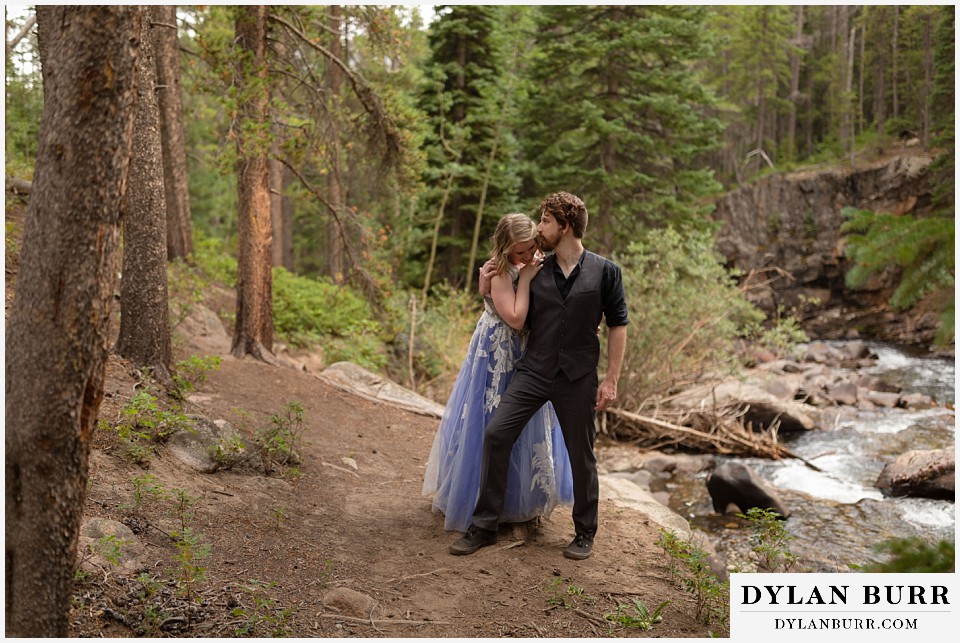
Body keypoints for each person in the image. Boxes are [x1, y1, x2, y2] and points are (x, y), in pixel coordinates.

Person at [450, 191, 628, 560]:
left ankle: (584, 533)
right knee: (496, 434)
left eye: (546, 221)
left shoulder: (606, 271)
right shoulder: (534, 269)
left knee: (582, 455)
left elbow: (618, 325)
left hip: (577, 377)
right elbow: (512, 318)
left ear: (564, 227)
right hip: (533, 370)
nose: (540, 227)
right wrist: (485, 293)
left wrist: (611, 379)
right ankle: (484, 527)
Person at [422, 213, 575, 533]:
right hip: (498, 355)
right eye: (520, 252)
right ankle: (482, 501)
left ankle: (522, 500)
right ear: (505, 249)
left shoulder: (533, 261)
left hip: (528, 354)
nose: (527, 256)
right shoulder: (499, 271)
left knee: (526, 424)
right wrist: (528, 278)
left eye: (531, 248)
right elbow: (517, 318)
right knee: (490, 420)